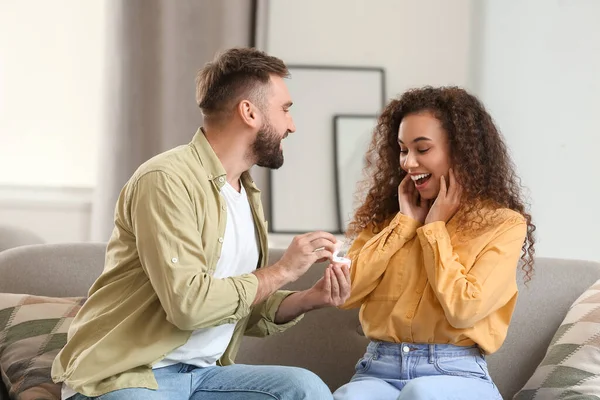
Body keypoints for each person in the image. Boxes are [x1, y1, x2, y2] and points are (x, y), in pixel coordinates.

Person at [52, 47, 351, 400]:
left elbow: (235, 305)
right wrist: (283, 270)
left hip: (204, 375)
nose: (292, 125)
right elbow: (190, 306)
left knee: (305, 389)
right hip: (129, 376)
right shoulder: (165, 180)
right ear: (249, 112)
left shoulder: (245, 193)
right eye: (285, 110)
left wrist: (308, 298)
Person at [332, 86, 536, 400]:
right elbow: (345, 292)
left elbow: (464, 310)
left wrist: (435, 228)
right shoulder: (388, 220)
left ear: (461, 152)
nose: (408, 163)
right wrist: (404, 225)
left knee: (420, 393)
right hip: (378, 368)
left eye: (422, 149)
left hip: (456, 372)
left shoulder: (503, 224)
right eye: (402, 150)